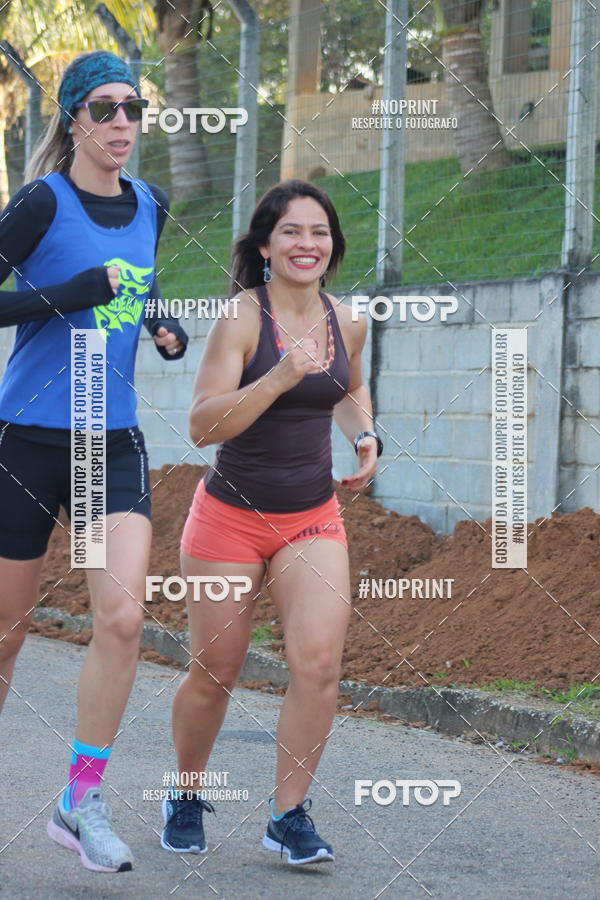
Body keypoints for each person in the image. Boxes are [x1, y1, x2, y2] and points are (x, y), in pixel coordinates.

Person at [0, 50, 188, 872]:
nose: (122, 124)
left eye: (133, 110)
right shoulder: (40, 201)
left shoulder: (152, 201)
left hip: (110, 438)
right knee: (7, 633)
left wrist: (160, 326)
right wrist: (64, 296)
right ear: (73, 117)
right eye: (105, 109)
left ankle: (80, 797)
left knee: (121, 618)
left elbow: (135, 286)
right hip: (29, 438)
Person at [162, 179, 382, 865]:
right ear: (265, 245)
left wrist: (367, 434)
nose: (307, 244)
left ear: (333, 247)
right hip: (229, 519)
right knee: (216, 671)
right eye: (291, 231)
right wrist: (281, 377)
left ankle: (288, 815)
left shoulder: (348, 320)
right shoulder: (242, 320)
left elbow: (347, 387)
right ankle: (187, 792)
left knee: (317, 665)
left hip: (312, 517)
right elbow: (202, 425)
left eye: (319, 233)